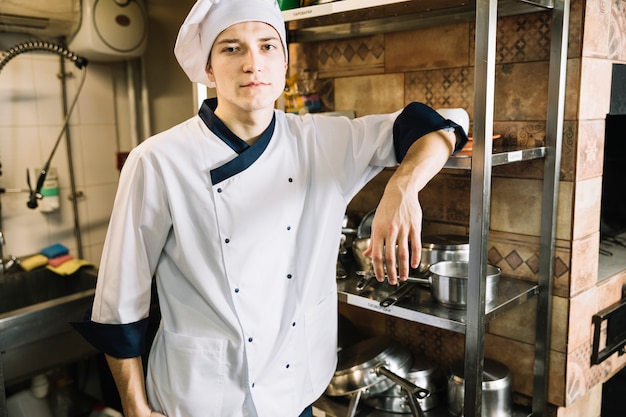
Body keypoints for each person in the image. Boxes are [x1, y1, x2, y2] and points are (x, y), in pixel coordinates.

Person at [73, 0, 468, 416]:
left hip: (295, 392)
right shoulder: (158, 160)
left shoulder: (325, 140)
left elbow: (445, 121)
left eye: (267, 46)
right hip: (198, 399)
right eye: (231, 48)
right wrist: (134, 406)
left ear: (284, 62)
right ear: (208, 68)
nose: (252, 64)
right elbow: (119, 302)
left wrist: (403, 187)